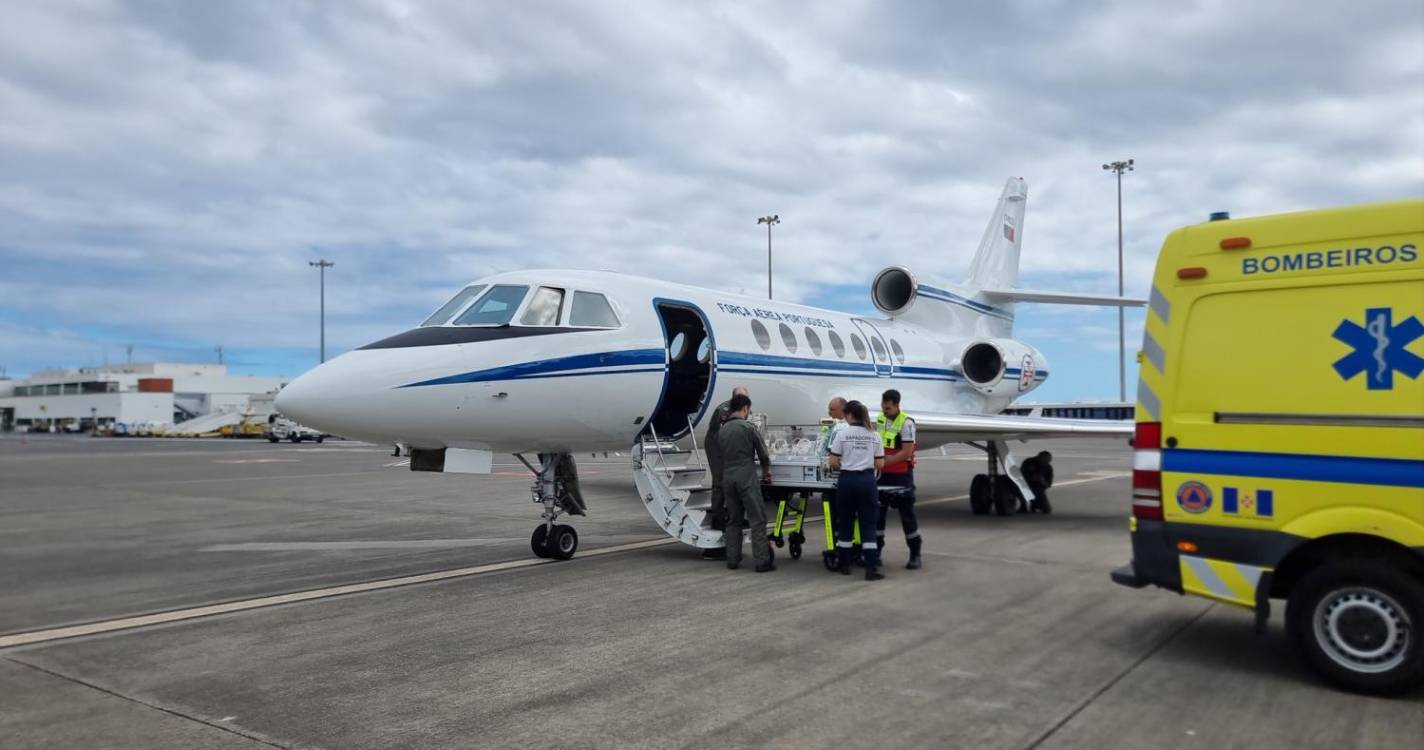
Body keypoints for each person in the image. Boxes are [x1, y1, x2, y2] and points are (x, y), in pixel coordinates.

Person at [717, 393, 774, 572]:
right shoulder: (748, 428)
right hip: (746, 477)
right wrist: (766, 472)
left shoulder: (722, 430)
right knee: (757, 518)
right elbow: (763, 455)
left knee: (733, 520)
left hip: (728, 477)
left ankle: (732, 560)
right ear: (745, 408)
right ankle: (762, 561)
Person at [829, 400, 885, 580]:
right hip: (867, 481)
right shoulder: (874, 435)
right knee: (868, 525)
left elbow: (833, 461)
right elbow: (880, 463)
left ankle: (844, 564)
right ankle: (871, 569)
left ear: (850, 415)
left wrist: (845, 464)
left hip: (847, 481)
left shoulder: (842, 434)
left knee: (845, 523)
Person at [701, 386, 749, 560]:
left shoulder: (744, 407)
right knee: (720, 480)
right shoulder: (725, 410)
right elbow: (726, 434)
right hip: (716, 445)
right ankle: (717, 516)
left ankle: (735, 515)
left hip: (728, 445)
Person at [876, 389, 923, 570]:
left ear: (896, 405)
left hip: (901, 475)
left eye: (887, 407)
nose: (884, 410)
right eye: (883, 406)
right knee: (877, 517)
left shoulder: (906, 423)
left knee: (907, 517)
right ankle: (876, 552)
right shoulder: (880, 419)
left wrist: (886, 461)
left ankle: (915, 553)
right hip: (882, 475)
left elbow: (907, 451)